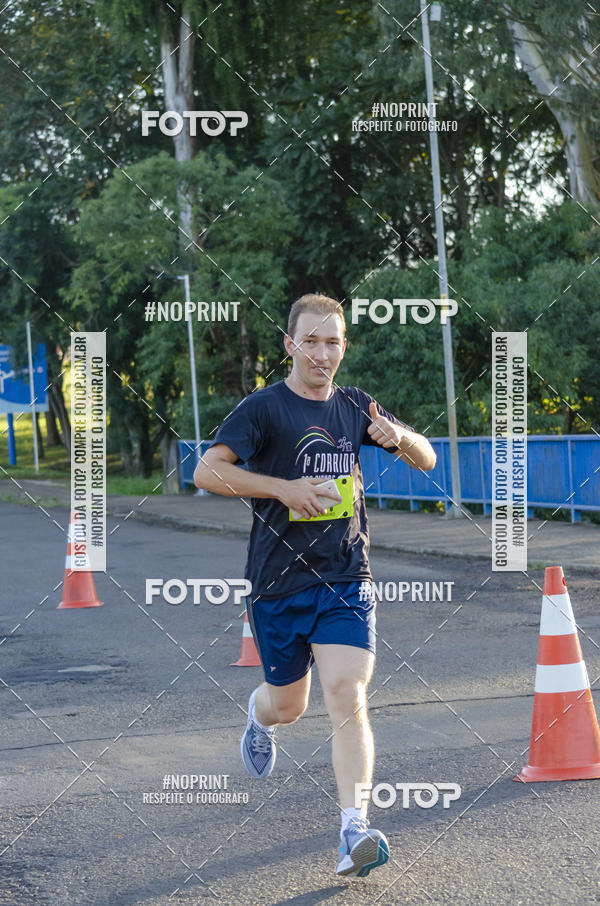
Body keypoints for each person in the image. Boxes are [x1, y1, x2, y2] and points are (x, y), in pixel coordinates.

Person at [194, 293, 436, 877]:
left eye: (333, 342)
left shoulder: (357, 407)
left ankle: (354, 829)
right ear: (290, 345)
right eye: (311, 341)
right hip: (277, 585)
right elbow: (206, 471)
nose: (322, 353)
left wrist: (395, 437)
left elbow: (427, 460)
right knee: (289, 705)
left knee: (347, 693)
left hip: (345, 576)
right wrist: (283, 489)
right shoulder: (264, 409)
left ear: (343, 348)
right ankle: (258, 716)